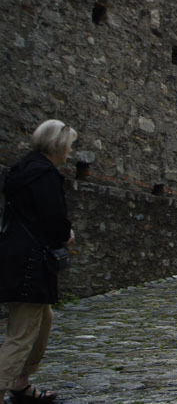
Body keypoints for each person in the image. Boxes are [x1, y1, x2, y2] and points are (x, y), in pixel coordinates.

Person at [0, 120, 77, 403]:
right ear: (59, 145)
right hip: (30, 262)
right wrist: (65, 235)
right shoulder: (44, 175)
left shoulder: (22, 171)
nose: (70, 151)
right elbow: (53, 219)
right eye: (69, 144)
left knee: (43, 320)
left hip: (16, 256)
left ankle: (21, 383)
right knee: (21, 335)